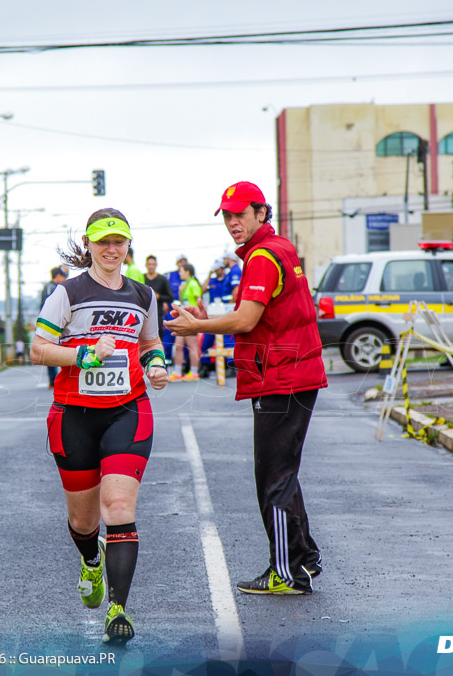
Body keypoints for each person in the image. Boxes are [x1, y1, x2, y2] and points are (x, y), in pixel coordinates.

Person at [167, 181, 327, 595]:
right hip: (294, 375)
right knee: (283, 475)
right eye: (227, 215)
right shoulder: (279, 248)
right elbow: (256, 313)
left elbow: (245, 321)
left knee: (272, 478)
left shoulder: (261, 257)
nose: (232, 222)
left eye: (240, 214)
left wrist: (197, 325)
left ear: (261, 213)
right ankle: (303, 558)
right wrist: (208, 316)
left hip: (282, 378)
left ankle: (287, 573)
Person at [30, 208, 167, 645]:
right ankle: (91, 560)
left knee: (119, 509)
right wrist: (83, 355)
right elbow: (38, 350)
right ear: (88, 245)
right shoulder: (67, 293)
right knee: (84, 522)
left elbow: (149, 343)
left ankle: (118, 609)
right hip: (74, 415)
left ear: (129, 246)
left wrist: (157, 366)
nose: (112, 249)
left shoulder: (143, 295)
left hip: (128, 410)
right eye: (103, 241)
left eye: (119, 242)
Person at [171, 262, 202, 381]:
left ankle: (194, 372)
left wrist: (197, 319)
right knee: (178, 345)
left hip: (191, 318)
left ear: (187, 272)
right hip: (183, 318)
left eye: (181, 271)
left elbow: (198, 302)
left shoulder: (193, 284)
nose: (179, 273)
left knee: (192, 345)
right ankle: (178, 372)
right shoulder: (186, 284)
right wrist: (180, 291)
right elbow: (182, 301)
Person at [40, 267, 67, 387]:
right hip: (53, 323)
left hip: (46, 323)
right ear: (58, 276)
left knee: (49, 351)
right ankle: (55, 380)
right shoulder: (54, 288)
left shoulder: (47, 287)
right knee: (55, 351)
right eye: (63, 276)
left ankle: (53, 380)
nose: (64, 279)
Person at [143, 255, 174, 330]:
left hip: (157, 315)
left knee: (157, 339)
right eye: (149, 264)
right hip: (143, 314)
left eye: (153, 264)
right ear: (146, 265)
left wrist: (159, 296)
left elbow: (170, 297)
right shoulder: (142, 278)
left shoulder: (162, 279)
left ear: (156, 265)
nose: (151, 266)